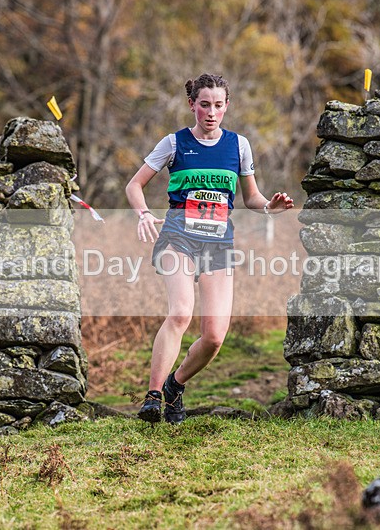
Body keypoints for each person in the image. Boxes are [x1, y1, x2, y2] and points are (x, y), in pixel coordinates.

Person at [125, 73, 294, 424]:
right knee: (181, 313)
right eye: (204, 105)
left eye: (218, 105)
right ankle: (153, 397)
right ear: (192, 105)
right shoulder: (174, 143)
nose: (211, 112)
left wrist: (269, 207)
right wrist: (142, 214)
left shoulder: (239, 145)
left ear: (227, 105)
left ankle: (174, 386)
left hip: (218, 243)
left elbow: (251, 198)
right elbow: (134, 185)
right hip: (178, 237)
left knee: (215, 336)